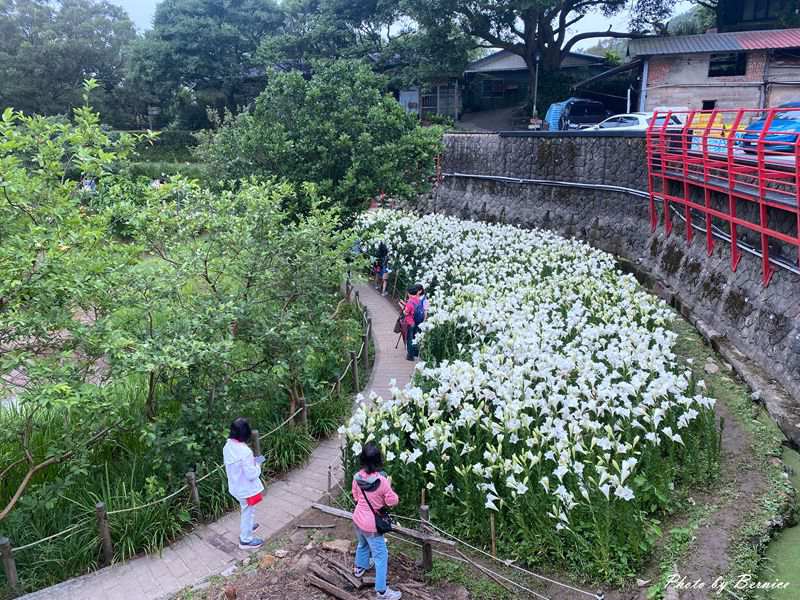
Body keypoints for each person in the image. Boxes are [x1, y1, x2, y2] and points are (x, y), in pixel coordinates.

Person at [352, 442, 401, 600]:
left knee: (362, 544)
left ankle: (360, 568)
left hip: (358, 518)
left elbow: (355, 496)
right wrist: (389, 487)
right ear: (378, 460)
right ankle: (381, 591)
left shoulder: (357, 477)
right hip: (372, 525)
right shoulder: (382, 481)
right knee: (381, 557)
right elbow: (392, 501)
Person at [223, 418, 266, 550]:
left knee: (246, 508)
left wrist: (251, 462)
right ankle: (245, 540)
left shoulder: (227, 446)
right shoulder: (245, 451)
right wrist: (258, 463)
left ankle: (248, 526)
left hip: (235, 487)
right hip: (245, 489)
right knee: (248, 510)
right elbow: (251, 474)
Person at [401, 285, 424, 361]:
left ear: (409, 293)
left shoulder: (410, 301)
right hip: (417, 322)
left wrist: (403, 309)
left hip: (410, 323)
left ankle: (410, 356)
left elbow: (406, 313)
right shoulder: (419, 300)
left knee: (410, 339)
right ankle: (416, 353)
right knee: (415, 337)